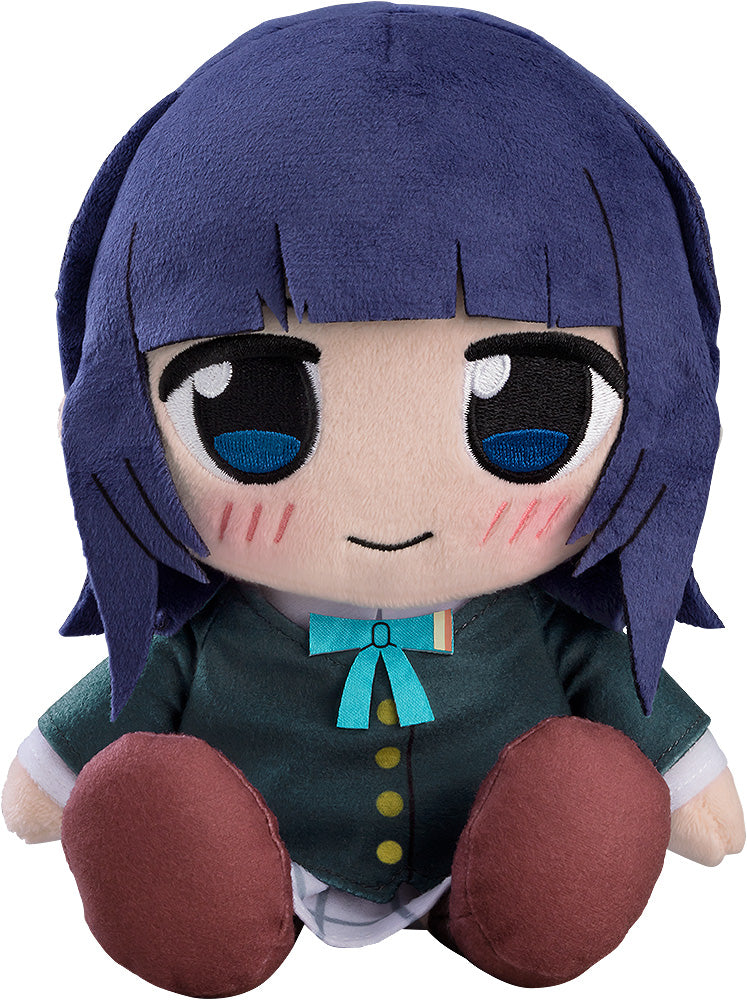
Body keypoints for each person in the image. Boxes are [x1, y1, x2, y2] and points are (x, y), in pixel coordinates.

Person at [3, 4, 743, 996]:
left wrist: (680, 780)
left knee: (590, 789)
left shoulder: (546, 629)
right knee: (146, 795)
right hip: (273, 860)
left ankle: (528, 901)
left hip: (478, 859)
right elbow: (112, 707)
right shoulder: (208, 633)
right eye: (247, 407)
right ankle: (207, 906)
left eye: (531, 407)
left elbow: (624, 692)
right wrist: (57, 778)